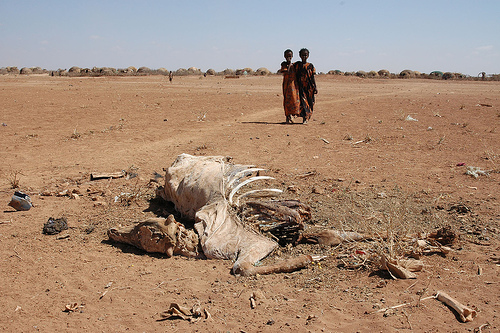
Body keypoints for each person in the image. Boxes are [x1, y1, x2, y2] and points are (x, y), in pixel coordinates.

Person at [295, 48, 317, 124]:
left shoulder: (310, 66)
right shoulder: (297, 65)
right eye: (302, 55)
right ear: (300, 55)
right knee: (303, 103)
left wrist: (315, 87)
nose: (304, 57)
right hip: (301, 87)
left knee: (311, 102)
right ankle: (305, 117)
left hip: (309, 88)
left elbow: (312, 77)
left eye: (305, 55)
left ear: (308, 56)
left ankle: (308, 116)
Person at [279, 49, 300, 124]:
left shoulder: (294, 65)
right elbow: (285, 71)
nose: (289, 57)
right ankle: (288, 116)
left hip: (294, 85)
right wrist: (289, 65)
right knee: (287, 101)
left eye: (290, 56)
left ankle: (292, 114)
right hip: (287, 85)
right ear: (284, 56)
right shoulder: (284, 64)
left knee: (294, 100)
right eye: (287, 56)